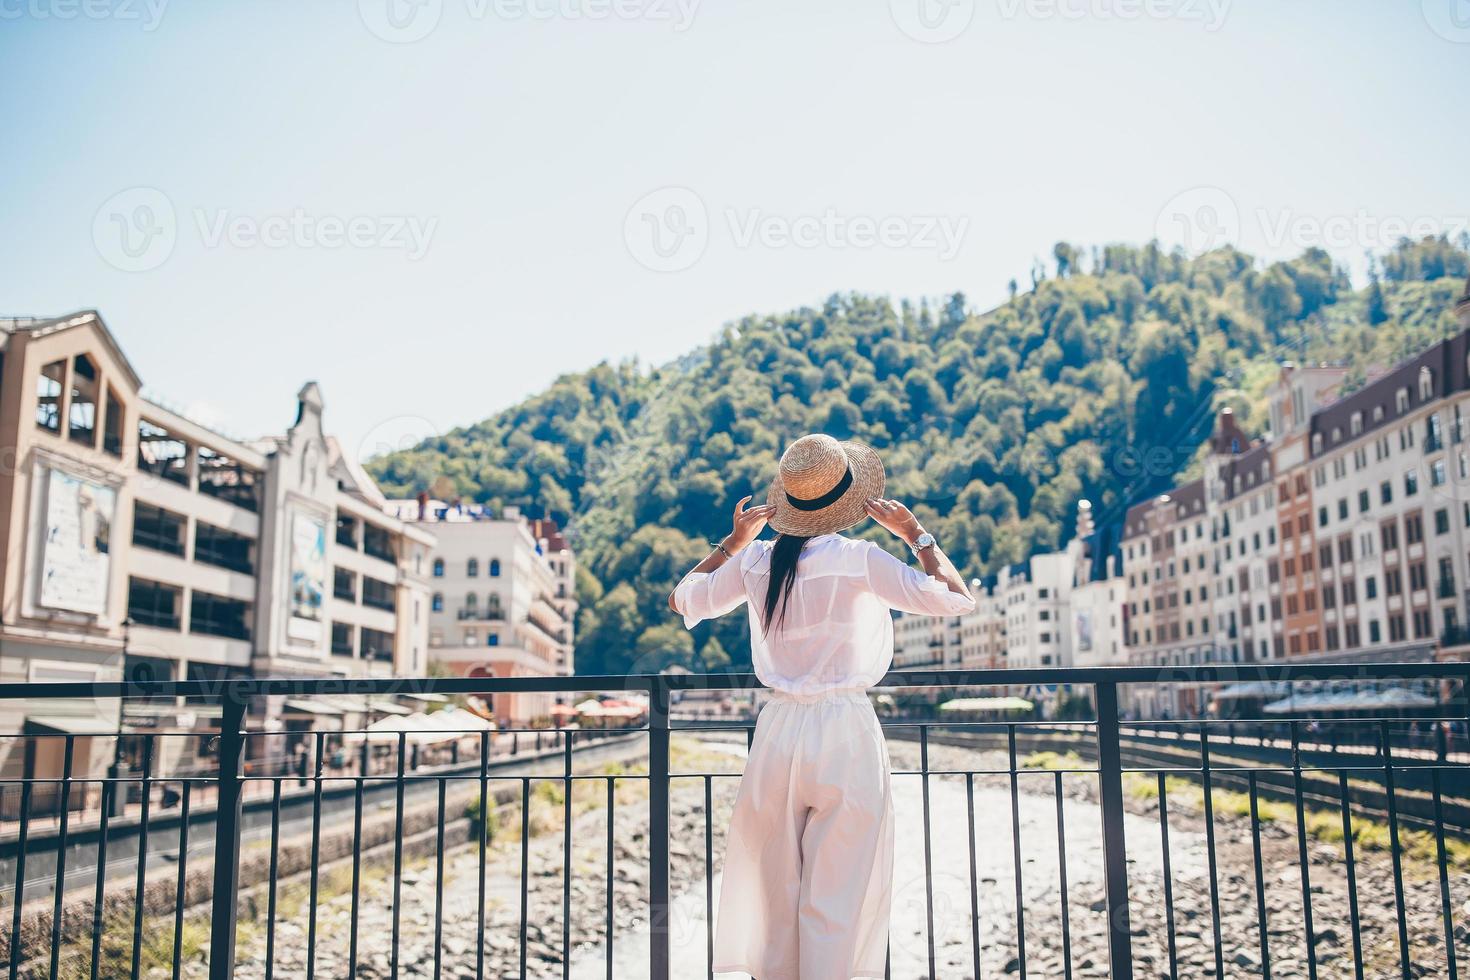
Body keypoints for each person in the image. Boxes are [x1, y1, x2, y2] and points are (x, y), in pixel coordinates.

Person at [669, 433, 975, 980]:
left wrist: (733, 542)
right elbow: (953, 599)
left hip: (778, 732)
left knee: (774, 890)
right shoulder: (861, 559)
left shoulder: (756, 561)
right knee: (836, 896)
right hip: (845, 732)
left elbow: (683, 599)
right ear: (847, 500)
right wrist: (915, 534)